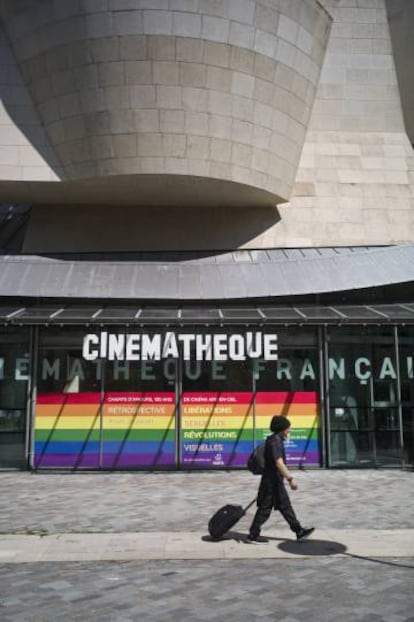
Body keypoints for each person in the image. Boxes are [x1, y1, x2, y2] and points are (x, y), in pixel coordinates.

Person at [246, 415, 314, 543]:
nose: (290, 430)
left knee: (284, 506)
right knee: (267, 508)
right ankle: (253, 535)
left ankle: (298, 531)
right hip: (272, 482)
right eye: (288, 428)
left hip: (273, 481)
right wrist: (290, 479)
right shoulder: (275, 441)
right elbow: (279, 463)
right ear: (281, 428)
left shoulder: (274, 440)